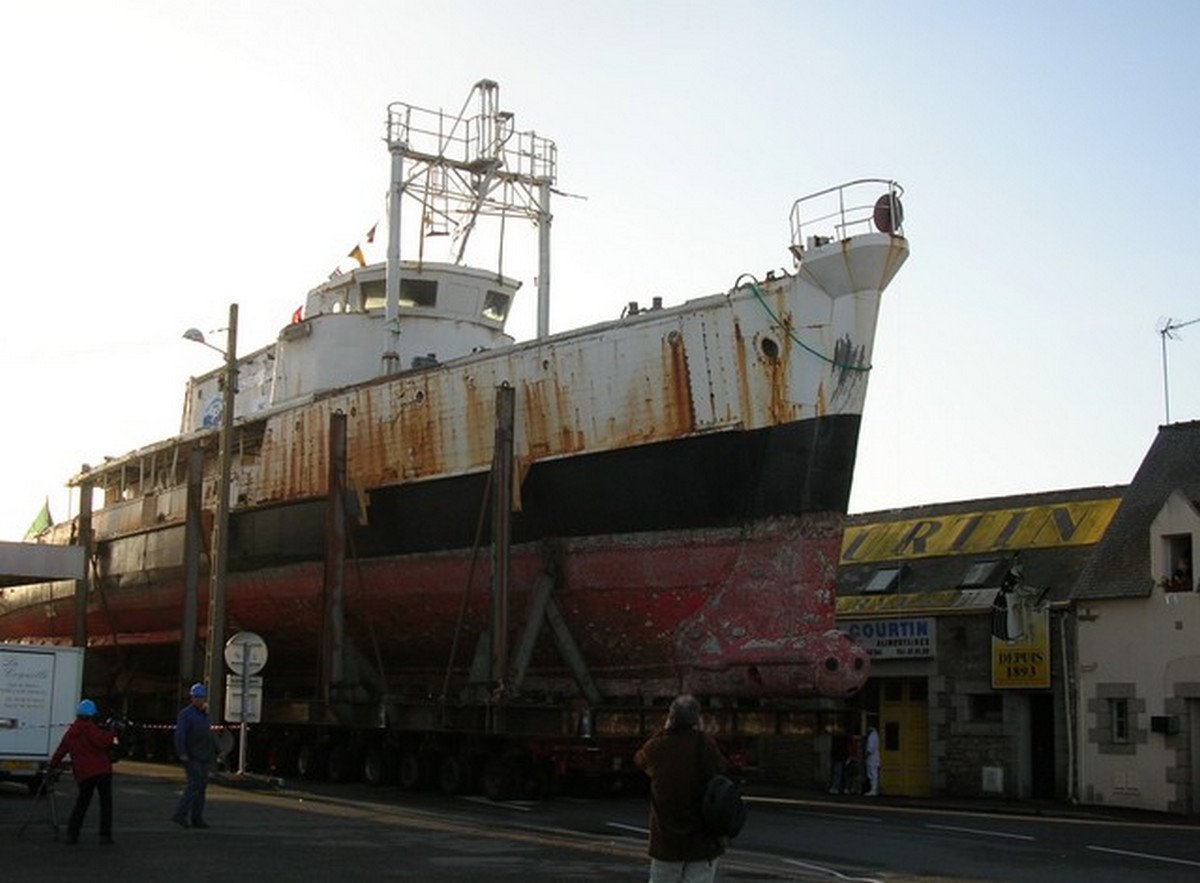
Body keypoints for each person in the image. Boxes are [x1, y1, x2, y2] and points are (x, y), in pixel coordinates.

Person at [634, 694, 728, 883]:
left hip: (667, 842)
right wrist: (701, 733)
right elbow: (722, 768)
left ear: (670, 718)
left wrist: (663, 732)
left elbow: (640, 761)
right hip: (703, 841)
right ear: (697, 720)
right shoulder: (706, 744)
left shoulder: (656, 748)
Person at [49, 698, 116, 845]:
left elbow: (61, 751)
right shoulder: (90, 728)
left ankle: (72, 834)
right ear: (92, 715)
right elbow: (102, 742)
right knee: (106, 804)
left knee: (82, 803)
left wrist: (52, 766)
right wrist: (112, 734)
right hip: (102, 771)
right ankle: (105, 835)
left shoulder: (71, 732)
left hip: (83, 774)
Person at [173, 682, 216, 828]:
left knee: (201, 788)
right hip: (192, 756)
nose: (199, 700)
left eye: (201, 697)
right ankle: (180, 814)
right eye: (197, 697)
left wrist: (218, 748)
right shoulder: (185, 715)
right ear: (192, 698)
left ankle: (197, 817)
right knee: (193, 786)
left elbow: (209, 733)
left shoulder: (204, 715)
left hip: (203, 756)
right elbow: (180, 735)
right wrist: (182, 753)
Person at [864, 723, 881, 796]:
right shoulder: (876, 735)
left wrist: (865, 755)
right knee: (874, 773)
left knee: (872, 774)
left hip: (872, 758)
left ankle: (873, 789)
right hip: (875, 757)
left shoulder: (871, 736)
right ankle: (874, 789)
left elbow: (870, 748)